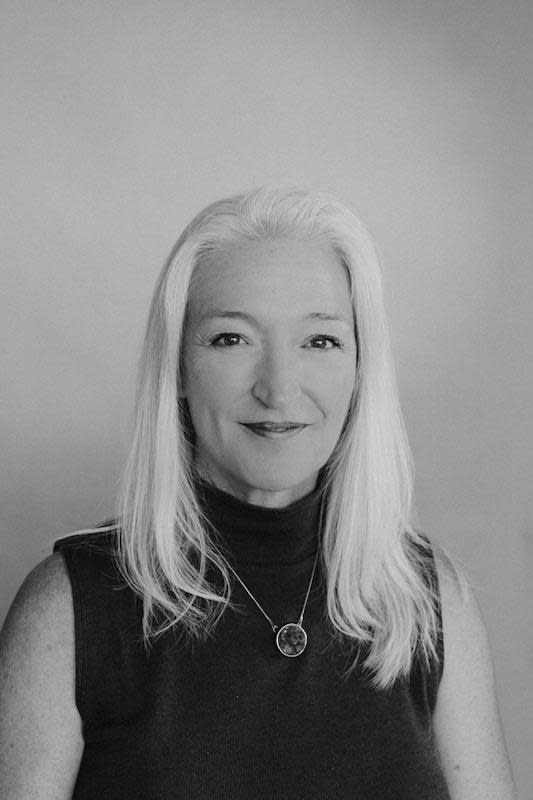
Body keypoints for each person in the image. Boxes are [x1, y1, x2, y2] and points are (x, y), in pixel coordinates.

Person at [0, 187, 516, 799]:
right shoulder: (66, 609)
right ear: (178, 369)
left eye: (320, 340)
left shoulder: (432, 603)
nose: (278, 388)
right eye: (231, 338)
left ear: (361, 370)